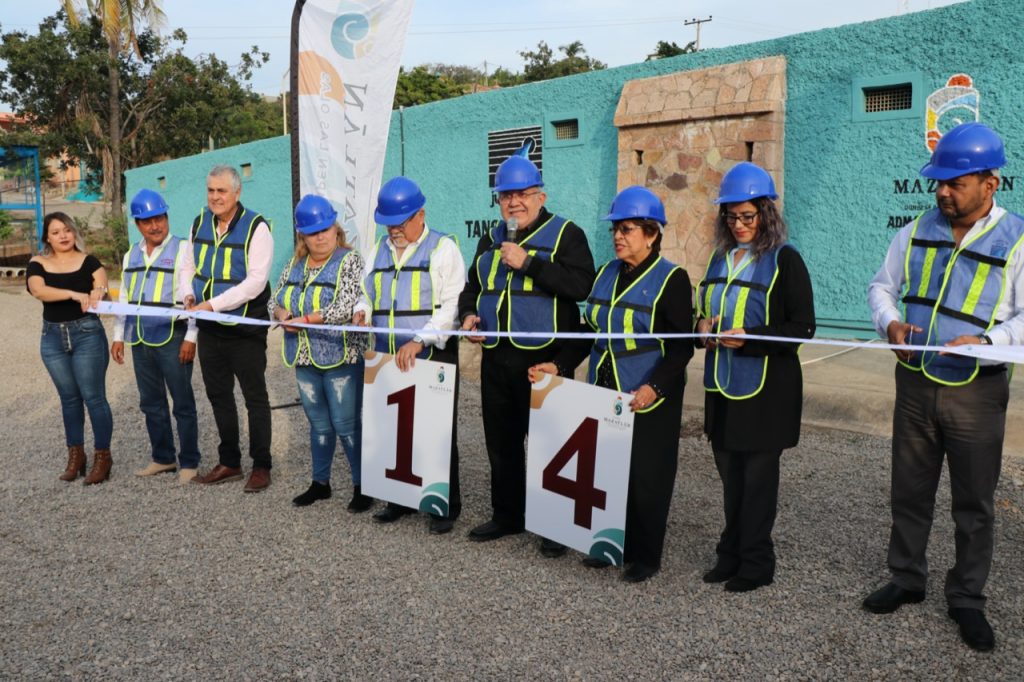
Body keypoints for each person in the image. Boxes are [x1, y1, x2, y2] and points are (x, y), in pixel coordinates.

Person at [864, 122, 1023, 652]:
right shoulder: (913, 231)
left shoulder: (1018, 240)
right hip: (913, 384)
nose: (943, 192)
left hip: (977, 392)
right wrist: (889, 323)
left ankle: (967, 598)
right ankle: (906, 577)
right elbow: (882, 287)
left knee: (973, 502)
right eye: (939, 182)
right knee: (908, 490)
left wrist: (988, 340)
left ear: (990, 183)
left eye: (956, 183)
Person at [529, 186, 694, 583]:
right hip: (604, 390)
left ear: (651, 234)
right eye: (615, 229)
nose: (618, 236)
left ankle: (646, 556)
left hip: (647, 393)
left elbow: (681, 347)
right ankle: (610, 546)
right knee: (608, 470)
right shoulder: (605, 273)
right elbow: (589, 331)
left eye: (628, 229)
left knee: (647, 477)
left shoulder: (672, 279)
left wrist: (655, 387)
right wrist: (559, 364)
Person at [459, 153, 596, 557]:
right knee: (501, 443)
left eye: (522, 194)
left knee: (547, 444)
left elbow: (582, 286)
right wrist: (468, 315)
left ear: (541, 197)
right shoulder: (490, 238)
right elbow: (473, 287)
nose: (514, 202)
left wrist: (529, 264)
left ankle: (554, 525)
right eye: (506, 196)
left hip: (543, 359)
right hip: (496, 358)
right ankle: (508, 515)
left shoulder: (567, 234)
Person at [694, 162, 815, 593]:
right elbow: (702, 313)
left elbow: (802, 327)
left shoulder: (786, 259)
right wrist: (701, 328)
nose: (740, 225)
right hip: (722, 388)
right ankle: (730, 553)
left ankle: (757, 562)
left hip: (767, 392)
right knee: (731, 477)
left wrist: (752, 338)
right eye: (731, 216)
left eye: (748, 216)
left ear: (766, 213)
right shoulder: (718, 259)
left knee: (757, 482)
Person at [354, 177, 466, 534]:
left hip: (429, 356)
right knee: (393, 429)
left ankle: (443, 506)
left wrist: (420, 340)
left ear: (421, 214)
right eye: (388, 223)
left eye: (400, 222)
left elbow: (451, 306)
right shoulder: (379, 249)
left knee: (436, 433)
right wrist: (361, 309)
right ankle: (398, 499)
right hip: (388, 355)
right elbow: (366, 291)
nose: (394, 230)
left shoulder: (444, 248)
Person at [269, 194, 371, 511]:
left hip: (342, 356)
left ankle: (362, 486)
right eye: (313, 232)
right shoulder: (294, 264)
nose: (321, 237)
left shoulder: (350, 260)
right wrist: (283, 315)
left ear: (335, 228)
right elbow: (273, 300)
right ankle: (320, 483)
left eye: (325, 229)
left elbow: (344, 306)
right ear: (302, 235)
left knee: (346, 425)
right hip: (304, 357)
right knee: (319, 425)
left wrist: (305, 320)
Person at [183, 165, 274, 492]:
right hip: (210, 329)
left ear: (237, 193)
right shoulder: (198, 222)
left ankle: (261, 465)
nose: (215, 197)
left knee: (255, 398)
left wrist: (212, 304)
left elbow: (256, 282)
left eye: (221, 191)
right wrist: (188, 294)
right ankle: (230, 462)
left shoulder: (257, 227)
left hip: (245, 328)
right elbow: (188, 266)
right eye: (211, 190)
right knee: (219, 395)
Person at [110, 189, 201, 484]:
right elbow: (124, 296)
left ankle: (190, 461)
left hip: (173, 337)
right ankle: (163, 458)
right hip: (140, 338)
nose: (155, 226)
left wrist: (191, 336)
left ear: (167, 217)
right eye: (147, 221)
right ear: (137, 224)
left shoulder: (183, 249)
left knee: (182, 402)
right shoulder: (130, 254)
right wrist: (118, 335)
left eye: (159, 218)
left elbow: (194, 296)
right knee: (151, 402)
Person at [27, 212, 114, 484]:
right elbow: (38, 290)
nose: (63, 236)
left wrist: (99, 292)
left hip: (87, 334)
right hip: (52, 338)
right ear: (47, 238)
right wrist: (74, 293)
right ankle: (76, 456)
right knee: (69, 399)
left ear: (74, 232)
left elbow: (103, 288)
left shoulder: (90, 262)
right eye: (55, 232)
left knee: (94, 397)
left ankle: (103, 457)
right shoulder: (38, 263)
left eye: (67, 230)